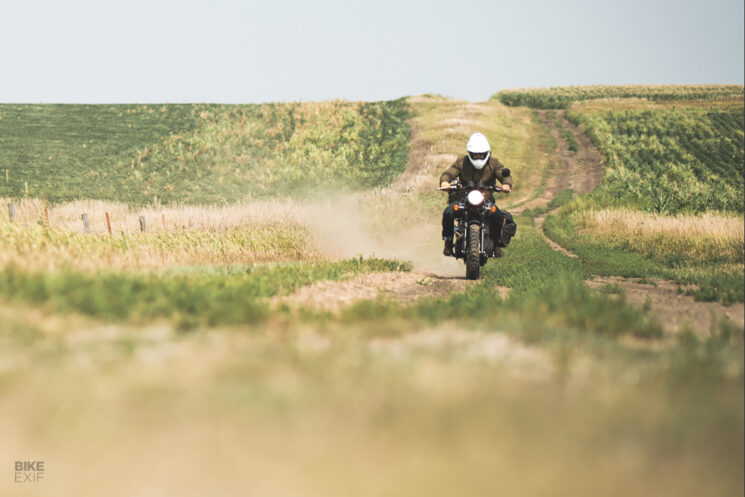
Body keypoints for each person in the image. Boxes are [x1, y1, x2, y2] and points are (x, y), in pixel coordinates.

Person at [439, 132, 513, 257]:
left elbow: (504, 175)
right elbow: (448, 173)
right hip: (464, 197)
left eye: (481, 154)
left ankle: (495, 246)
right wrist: (445, 182)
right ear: (470, 153)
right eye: (475, 154)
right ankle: (448, 241)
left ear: (486, 153)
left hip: (486, 198)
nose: (478, 156)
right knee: (448, 212)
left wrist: (506, 185)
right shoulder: (461, 162)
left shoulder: (494, 163)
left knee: (498, 215)